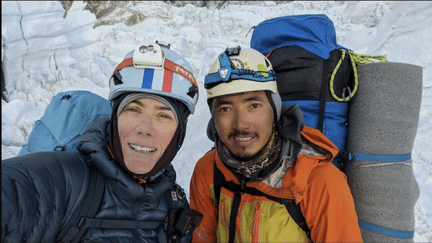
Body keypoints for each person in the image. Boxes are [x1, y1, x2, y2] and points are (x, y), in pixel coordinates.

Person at [2, 43, 201, 242]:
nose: (145, 128)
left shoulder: (175, 207)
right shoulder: (64, 181)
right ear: (113, 119)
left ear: (179, 133)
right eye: (133, 109)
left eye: (163, 116)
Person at [189, 46, 363, 242]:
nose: (240, 124)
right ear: (214, 118)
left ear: (275, 108)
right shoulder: (208, 171)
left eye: (254, 105)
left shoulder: (318, 180)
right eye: (226, 109)